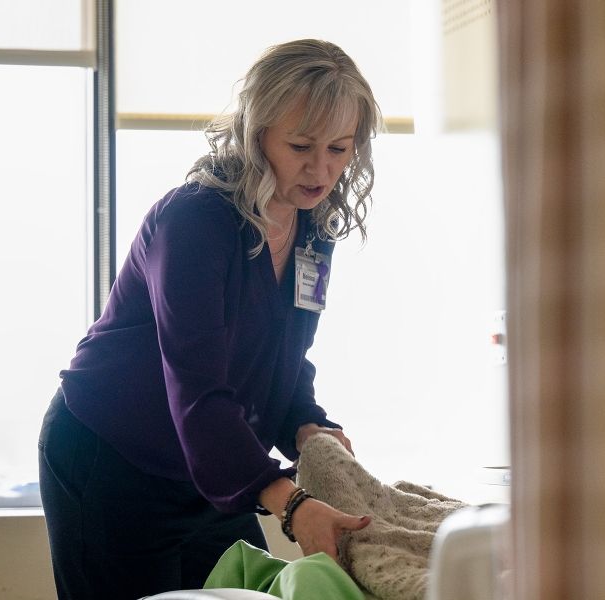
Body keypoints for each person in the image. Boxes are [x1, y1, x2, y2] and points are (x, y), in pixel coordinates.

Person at [38, 39, 381, 600]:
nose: (322, 169)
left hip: (210, 467)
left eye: (340, 149)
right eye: (301, 145)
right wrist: (291, 504)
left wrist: (306, 427)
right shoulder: (195, 221)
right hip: (112, 459)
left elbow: (286, 358)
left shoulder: (312, 230)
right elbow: (196, 387)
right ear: (255, 133)